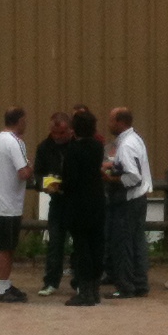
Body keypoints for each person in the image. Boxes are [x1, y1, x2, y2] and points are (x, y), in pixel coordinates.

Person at [59, 110, 108, 307]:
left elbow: (70, 179)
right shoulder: (97, 147)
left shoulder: (73, 150)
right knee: (97, 245)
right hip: (97, 200)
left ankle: (85, 291)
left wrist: (60, 186)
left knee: (82, 247)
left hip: (79, 203)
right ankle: (94, 289)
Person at [103, 107, 152, 299]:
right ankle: (140, 283)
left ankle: (125, 286)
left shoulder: (126, 145)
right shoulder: (135, 139)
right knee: (137, 242)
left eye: (111, 120)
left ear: (120, 122)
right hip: (139, 199)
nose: (108, 124)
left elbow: (133, 176)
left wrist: (111, 180)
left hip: (128, 200)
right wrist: (113, 166)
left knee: (122, 244)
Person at [0, 107, 33, 303]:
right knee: (4, 247)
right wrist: (31, 166)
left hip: (0, 201)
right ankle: (2, 287)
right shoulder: (14, 143)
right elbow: (23, 172)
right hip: (7, 204)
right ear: (20, 121)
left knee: (5, 246)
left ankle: (5, 284)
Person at [34, 112, 75, 296]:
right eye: (54, 132)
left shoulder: (77, 146)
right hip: (57, 202)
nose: (58, 137)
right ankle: (51, 281)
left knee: (80, 244)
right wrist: (45, 185)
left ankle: (80, 281)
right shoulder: (44, 147)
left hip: (76, 201)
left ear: (70, 130)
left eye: (62, 133)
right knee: (55, 243)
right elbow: (37, 174)